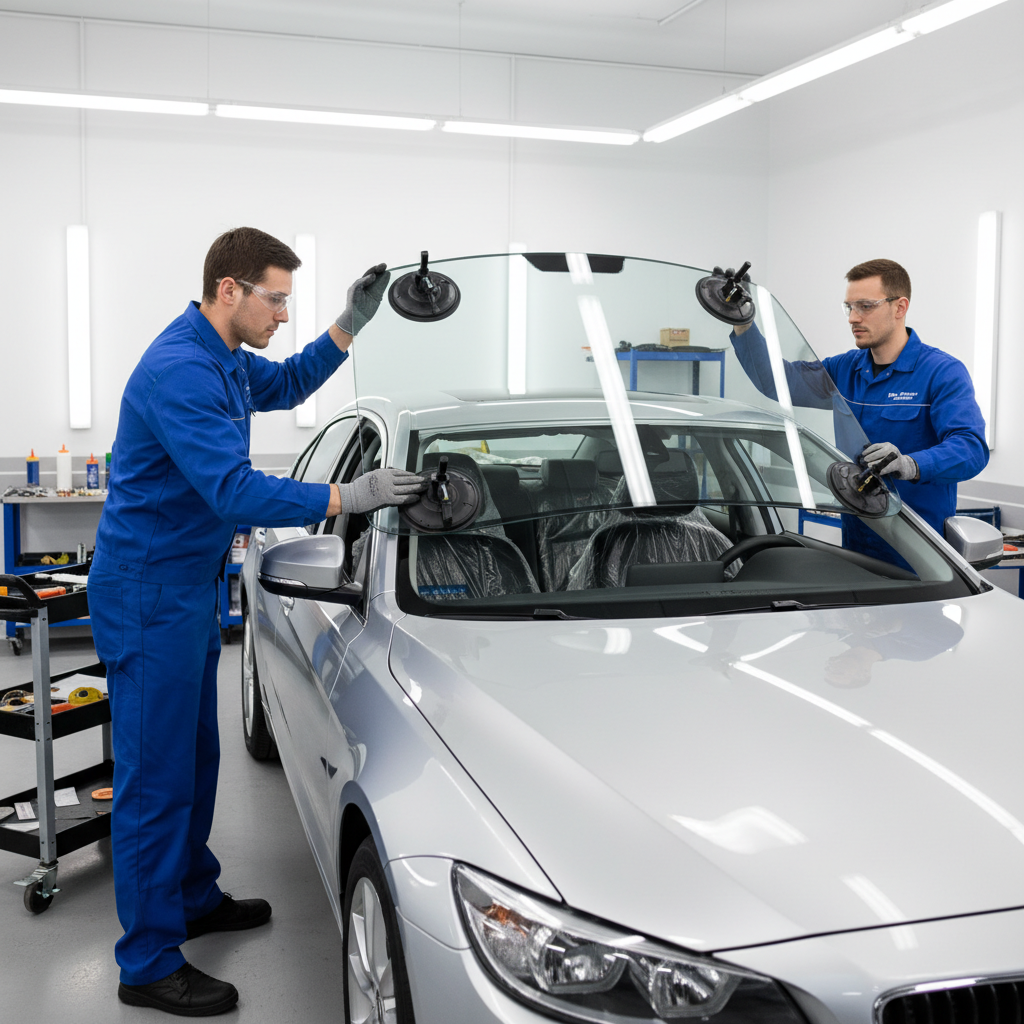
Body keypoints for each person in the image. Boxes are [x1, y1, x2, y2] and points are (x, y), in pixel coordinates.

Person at [87, 227, 425, 1016]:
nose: (280, 313)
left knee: (196, 760)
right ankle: (146, 962)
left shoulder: (224, 357)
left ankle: (192, 896)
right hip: (148, 595)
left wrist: (350, 325)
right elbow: (234, 492)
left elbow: (286, 384)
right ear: (229, 290)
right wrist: (349, 496)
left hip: (181, 587)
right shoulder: (180, 370)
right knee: (154, 780)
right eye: (275, 298)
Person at [730, 258, 988, 566]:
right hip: (858, 540)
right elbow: (775, 382)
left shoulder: (941, 372)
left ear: (899, 307)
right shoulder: (845, 369)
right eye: (849, 307)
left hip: (920, 551)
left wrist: (910, 464)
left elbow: (971, 448)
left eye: (865, 306)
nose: (853, 317)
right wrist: (743, 322)